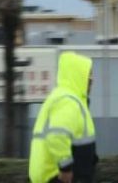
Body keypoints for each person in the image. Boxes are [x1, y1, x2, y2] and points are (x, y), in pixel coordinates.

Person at [29, 51, 98, 183]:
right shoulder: (68, 101)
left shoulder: (66, 98)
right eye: (89, 74)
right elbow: (56, 135)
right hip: (58, 178)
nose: (92, 79)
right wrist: (66, 170)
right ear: (78, 75)